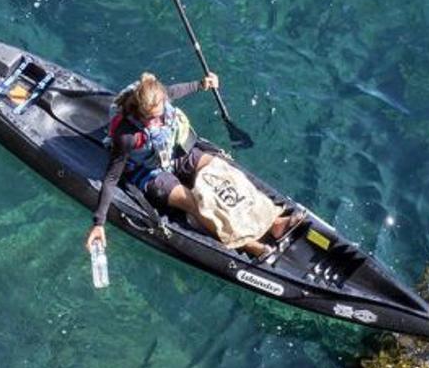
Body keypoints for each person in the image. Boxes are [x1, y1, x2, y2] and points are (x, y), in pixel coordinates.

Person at [84, 72, 296, 257]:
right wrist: (99, 223)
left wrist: (202, 84)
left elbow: (178, 90)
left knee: (225, 171)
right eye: (150, 118)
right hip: (149, 172)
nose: (155, 122)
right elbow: (112, 177)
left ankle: (274, 222)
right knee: (197, 203)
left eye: (159, 116)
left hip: (175, 155)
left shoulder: (161, 97)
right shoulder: (127, 135)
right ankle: (249, 244)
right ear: (140, 111)